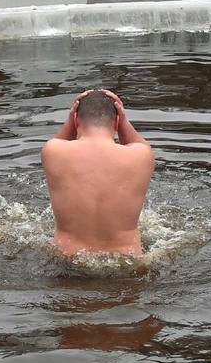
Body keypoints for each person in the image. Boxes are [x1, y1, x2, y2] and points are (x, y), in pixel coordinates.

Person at [41, 89, 154, 257]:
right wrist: (122, 119)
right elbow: (136, 143)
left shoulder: (53, 150)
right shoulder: (141, 154)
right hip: (126, 261)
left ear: (75, 120)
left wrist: (71, 118)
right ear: (116, 122)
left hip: (67, 260)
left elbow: (60, 140)